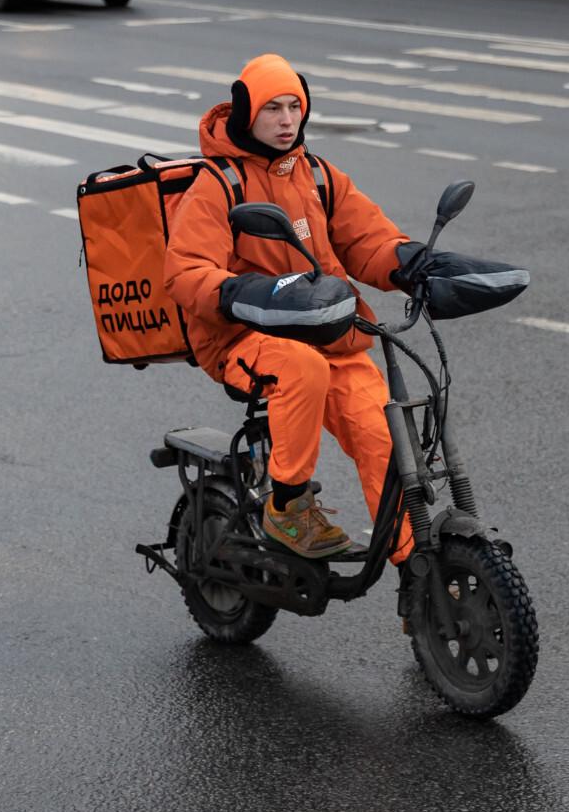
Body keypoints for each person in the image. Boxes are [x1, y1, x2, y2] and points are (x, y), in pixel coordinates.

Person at [165, 54, 418, 562]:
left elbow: (369, 242)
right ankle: (288, 506)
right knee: (299, 368)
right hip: (241, 341)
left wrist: (417, 264)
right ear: (246, 115)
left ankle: (421, 570)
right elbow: (186, 271)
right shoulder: (218, 185)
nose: (286, 121)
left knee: (385, 441)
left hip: (329, 333)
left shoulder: (318, 176)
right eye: (272, 109)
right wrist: (246, 294)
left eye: (294, 107)